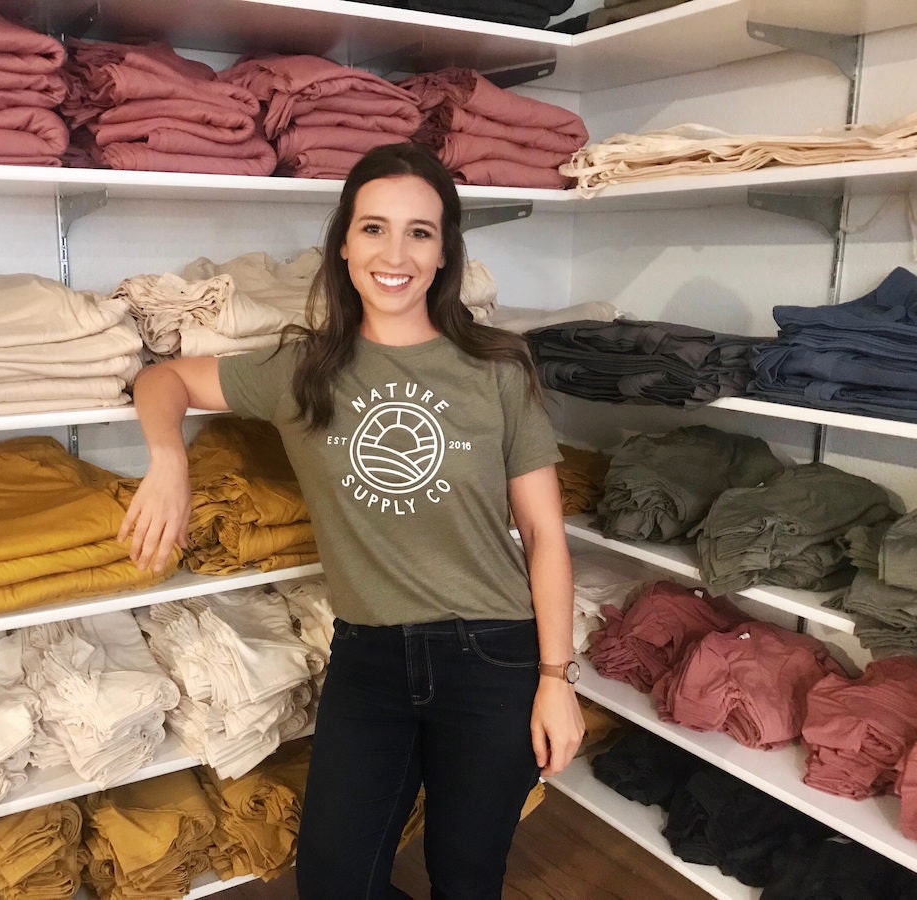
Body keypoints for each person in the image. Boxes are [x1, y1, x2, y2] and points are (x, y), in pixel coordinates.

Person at [118, 142, 585, 899]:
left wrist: (557, 679)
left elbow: (543, 536)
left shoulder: (499, 368)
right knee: (335, 880)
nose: (394, 252)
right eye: (374, 228)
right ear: (344, 244)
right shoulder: (302, 371)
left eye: (420, 232)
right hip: (370, 659)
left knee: (467, 879)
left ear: (444, 255)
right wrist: (168, 460)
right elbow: (161, 378)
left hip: (492, 654)